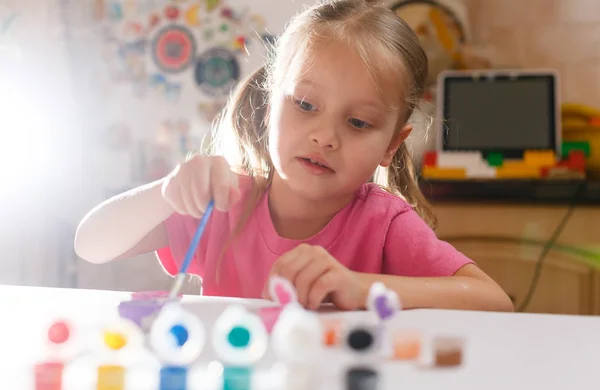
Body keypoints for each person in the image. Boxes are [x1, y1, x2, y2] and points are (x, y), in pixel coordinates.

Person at [75, 0, 513, 312]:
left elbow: (493, 301)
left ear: (391, 146)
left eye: (358, 123)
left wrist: (362, 288)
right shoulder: (227, 201)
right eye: (305, 105)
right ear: (269, 109)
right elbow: (91, 244)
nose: (325, 137)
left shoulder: (384, 224)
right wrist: (167, 191)